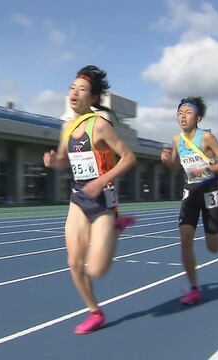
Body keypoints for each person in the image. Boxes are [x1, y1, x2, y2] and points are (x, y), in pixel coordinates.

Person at [43, 65, 137, 334]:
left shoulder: (100, 126)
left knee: (95, 270)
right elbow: (64, 160)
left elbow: (129, 158)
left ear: (93, 98)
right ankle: (95, 312)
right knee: (74, 262)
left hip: (104, 201)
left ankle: (116, 227)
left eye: (82, 89)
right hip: (79, 198)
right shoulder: (66, 127)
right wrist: (54, 162)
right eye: (72, 88)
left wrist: (99, 180)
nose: (74, 92)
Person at [160, 96, 218, 305]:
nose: (182, 116)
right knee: (185, 238)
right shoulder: (177, 140)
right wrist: (167, 161)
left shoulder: (207, 138)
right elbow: (175, 165)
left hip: (210, 192)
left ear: (198, 118)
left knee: (214, 247)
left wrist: (206, 168)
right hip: (190, 192)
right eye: (180, 113)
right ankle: (193, 289)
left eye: (188, 113)